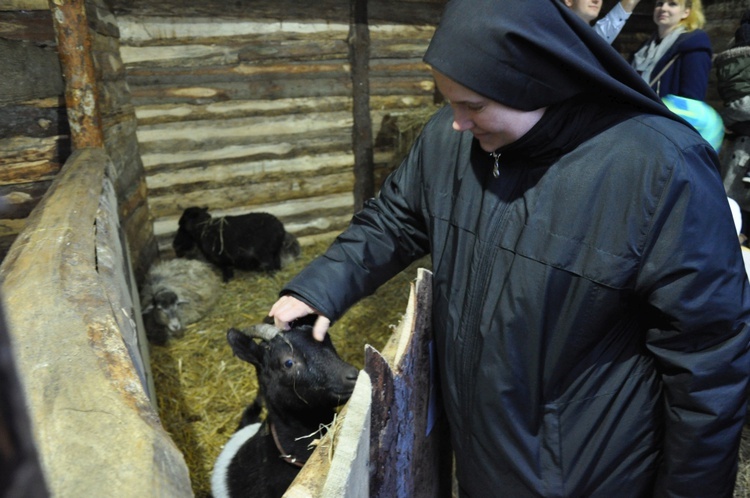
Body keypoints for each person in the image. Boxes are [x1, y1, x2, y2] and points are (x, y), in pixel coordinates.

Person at [270, 0, 750, 496]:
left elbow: (708, 362)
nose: (455, 121)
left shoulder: (656, 168)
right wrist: (323, 284)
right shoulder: (450, 141)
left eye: (473, 105)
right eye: (448, 100)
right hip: (481, 448)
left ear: (535, 81)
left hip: (587, 470)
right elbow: (396, 217)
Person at [631, 0, 712, 99]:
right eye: (659, 3)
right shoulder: (644, 49)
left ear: (686, 12)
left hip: (666, 113)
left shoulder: (694, 45)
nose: (663, 8)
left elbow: (693, 98)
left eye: (672, 4)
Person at [564, 0, 642, 43]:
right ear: (569, 0)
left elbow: (608, 27)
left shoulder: (592, 39)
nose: (596, 0)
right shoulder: (556, 35)